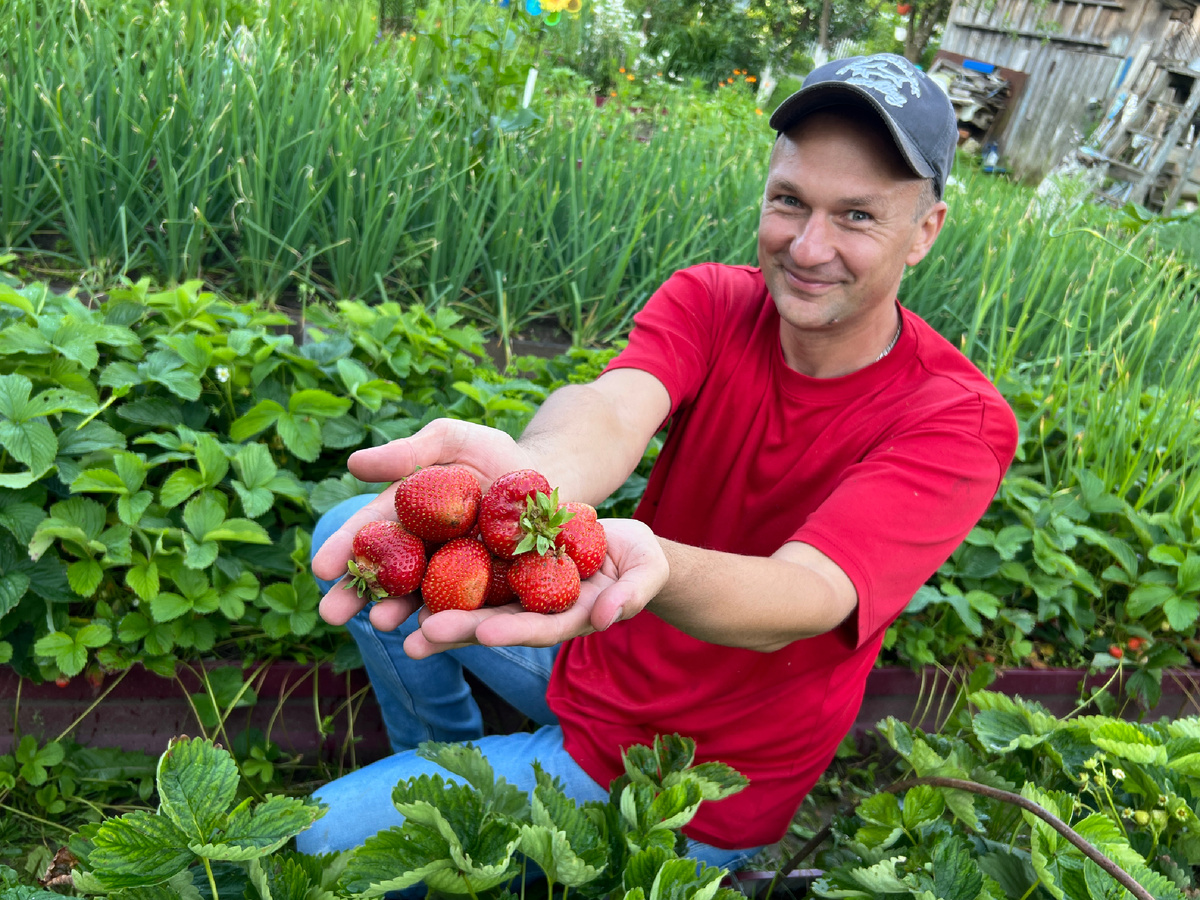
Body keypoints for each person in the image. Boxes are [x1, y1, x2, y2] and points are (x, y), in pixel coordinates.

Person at [296, 52, 1019, 868]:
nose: (809, 246)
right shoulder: (717, 299)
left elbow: (809, 592)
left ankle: (460, 814)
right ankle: (447, 765)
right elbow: (610, 407)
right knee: (353, 536)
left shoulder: (955, 419)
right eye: (790, 202)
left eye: (857, 216)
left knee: (309, 846)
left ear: (925, 231)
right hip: (591, 653)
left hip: (685, 774)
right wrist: (532, 480)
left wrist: (651, 565)